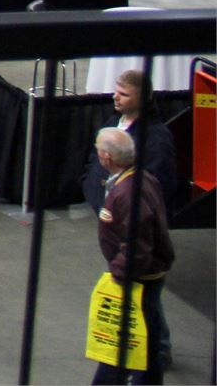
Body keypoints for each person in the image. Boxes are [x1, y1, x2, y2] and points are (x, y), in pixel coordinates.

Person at [89, 125, 176, 384]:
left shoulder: (127, 194)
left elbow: (136, 244)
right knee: (143, 342)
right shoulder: (139, 180)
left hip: (136, 277)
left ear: (106, 158)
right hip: (144, 273)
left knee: (125, 342)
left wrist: (119, 273)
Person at [84, 70, 179, 221]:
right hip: (104, 212)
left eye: (124, 95)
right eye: (116, 91)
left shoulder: (157, 138)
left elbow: (158, 183)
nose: (115, 97)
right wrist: (90, 185)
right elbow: (94, 157)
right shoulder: (113, 122)